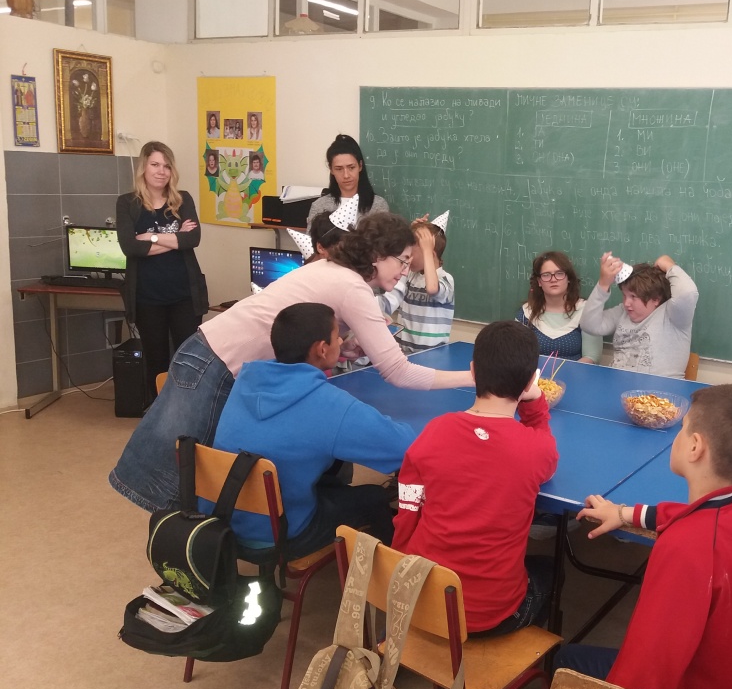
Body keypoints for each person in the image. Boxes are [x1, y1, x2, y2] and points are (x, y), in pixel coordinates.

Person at [109, 212, 474, 514]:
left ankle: (197, 540)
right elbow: (397, 371)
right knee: (181, 473)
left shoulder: (333, 268)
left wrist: (344, 349)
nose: (405, 270)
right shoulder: (353, 287)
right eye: (403, 261)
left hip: (208, 349)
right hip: (217, 361)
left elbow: (308, 335)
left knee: (194, 466)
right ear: (379, 254)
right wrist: (473, 377)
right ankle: (184, 550)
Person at [554, 384, 732, 689]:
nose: (677, 436)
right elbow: (695, 515)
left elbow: (645, 670)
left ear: (695, 447)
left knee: (564, 659)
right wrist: (625, 513)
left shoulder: (684, 548)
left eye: (682, 428)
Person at [392, 321, 558, 634]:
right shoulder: (538, 449)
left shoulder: (433, 432)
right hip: (492, 617)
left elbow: (408, 510)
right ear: (529, 383)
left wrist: (401, 568)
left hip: (421, 598)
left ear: (472, 371)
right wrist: (535, 403)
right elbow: (546, 452)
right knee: (551, 569)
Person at [210, 303, 414, 556]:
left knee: (327, 469)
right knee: (375, 497)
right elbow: (405, 448)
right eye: (337, 336)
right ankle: (390, 571)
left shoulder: (246, 380)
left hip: (224, 519)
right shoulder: (329, 405)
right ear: (321, 348)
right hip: (281, 532)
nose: (341, 341)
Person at [115, 141, 208, 402]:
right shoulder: (127, 203)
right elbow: (130, 247)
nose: (161, 171)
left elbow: (193, 239)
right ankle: (159, 410)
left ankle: (187, 408)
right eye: (155, 165)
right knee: (156, 359)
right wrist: (175, 238)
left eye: (166, 166)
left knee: (188, 357)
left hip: (184, 295)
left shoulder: (183, 200)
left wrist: (151, 237)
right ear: (143, 168)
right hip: (147, 298)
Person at [579, 252, 699, 378]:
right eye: (624, 295)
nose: (626, 303)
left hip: (659, 388)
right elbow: (589, 325)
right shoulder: (622, 312)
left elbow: (687, 294)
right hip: (618, 384)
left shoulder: (673, 315)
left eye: (633, 297)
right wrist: (603, 285)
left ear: (656, 299)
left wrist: (669, 265)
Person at [378, 215, 455, 352]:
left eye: (411, 254)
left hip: (432, 356)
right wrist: (409, 233)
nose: (408, 259)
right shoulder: (409, 275)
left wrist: (426, 250)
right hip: (402, 352)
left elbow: (432, 289)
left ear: (430, 255)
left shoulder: (445, 279)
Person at [515, 251, 602, 364]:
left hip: (574, 373)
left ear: (568, 278)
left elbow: (591, 356)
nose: (553, 279)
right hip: (536, 374)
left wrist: (564, 373)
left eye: (559, 273)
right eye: (546, 275)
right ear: (539, 282)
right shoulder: (526, 313)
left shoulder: (587, 311)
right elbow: (518, 355)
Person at [306, 134, 389, 228]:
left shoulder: (378, 206)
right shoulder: (319, 207)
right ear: (331, 169)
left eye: (351, 167)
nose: (346, 175)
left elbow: (384, 237)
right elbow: (311, 237)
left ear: (360, 166)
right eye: (339, 169)